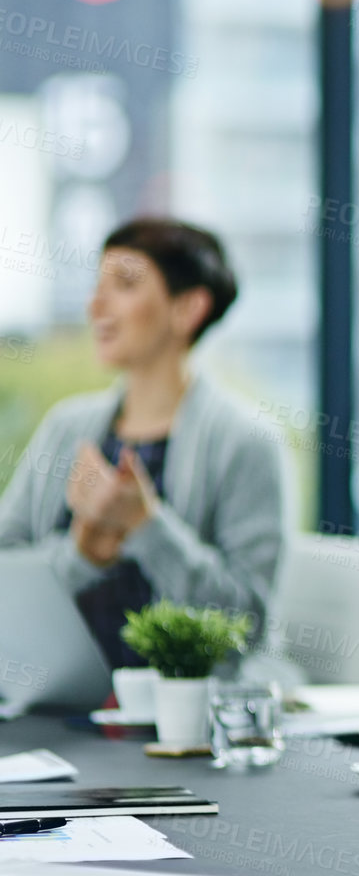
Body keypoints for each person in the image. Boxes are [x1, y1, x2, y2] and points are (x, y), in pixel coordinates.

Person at [0, 218, 285, 666]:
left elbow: (247, 624)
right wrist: (83, 555)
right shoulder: (65, 428)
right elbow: (6, 573)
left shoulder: (246, 443)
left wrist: (147, 526)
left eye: (125, 285)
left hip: (182, 721)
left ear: (188, 309)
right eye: (97, 285)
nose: (96, 306)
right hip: (54, 707)